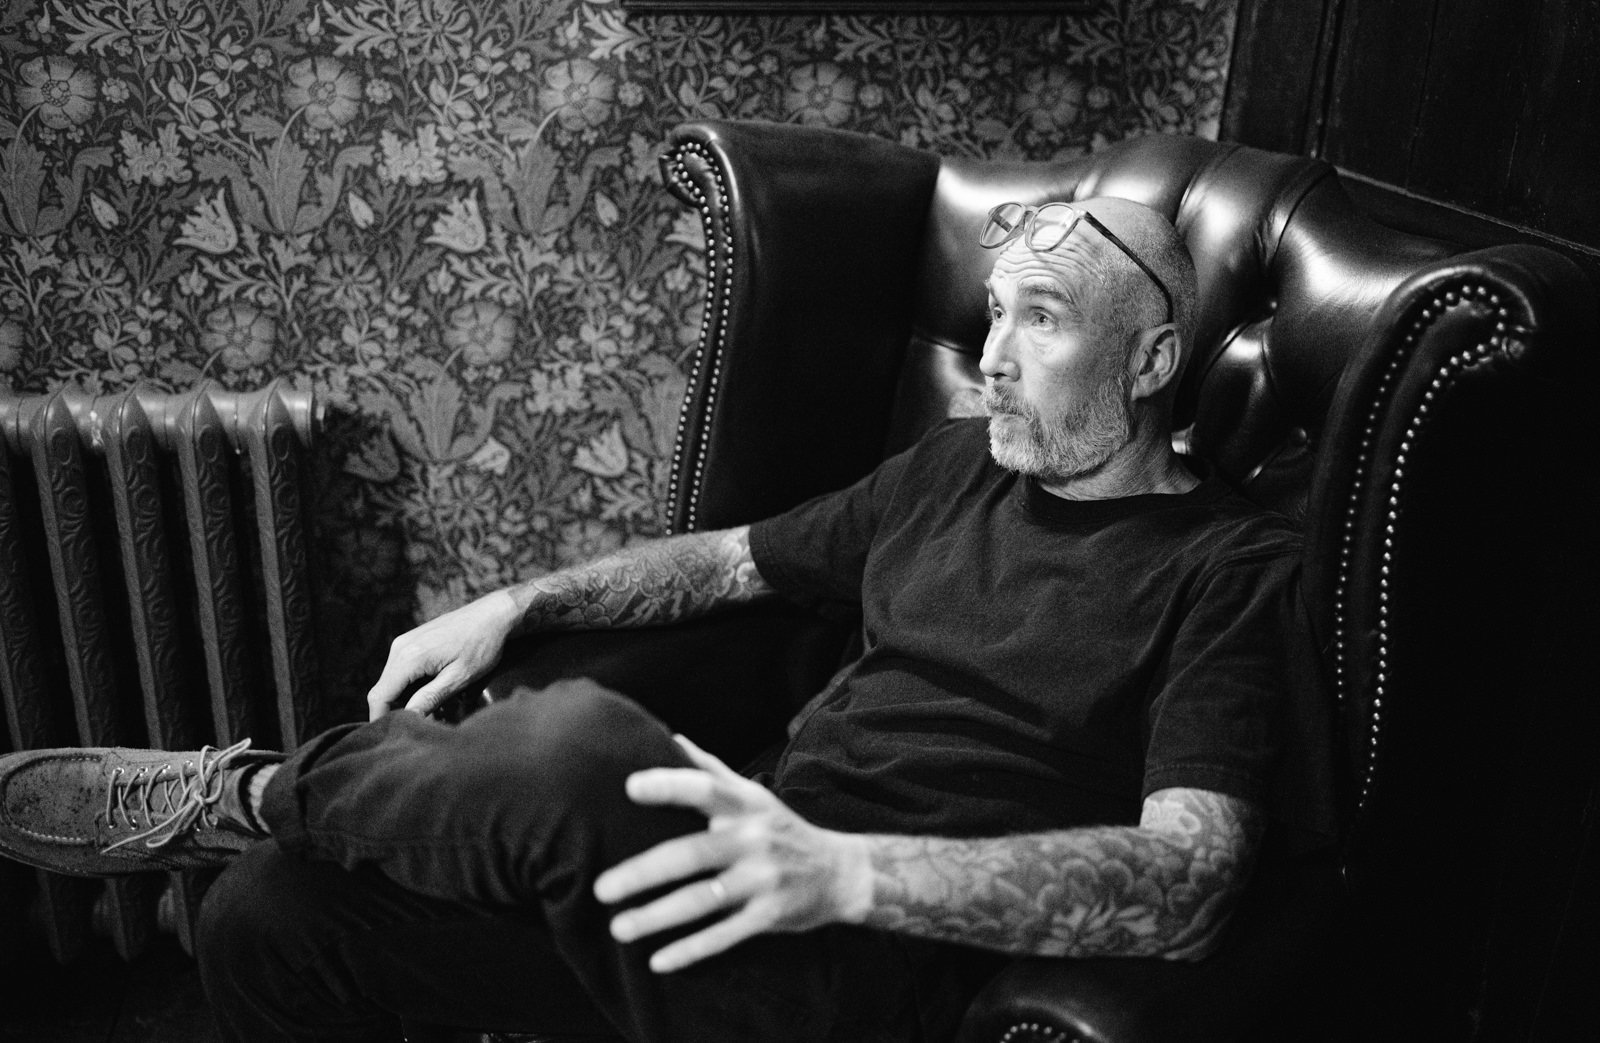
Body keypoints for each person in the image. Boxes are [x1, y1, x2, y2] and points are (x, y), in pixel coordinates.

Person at [0, 197, 1335, 1042]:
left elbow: (1190, 885)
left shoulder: (1229, 565)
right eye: (990, 315)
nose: (987, 359)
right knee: (267, 916)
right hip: (717, 905)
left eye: (1038, 321)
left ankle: (234, 790)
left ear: (1154, 361)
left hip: (862, 969)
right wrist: (517, 603)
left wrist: (842, 873)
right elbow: (730, 566)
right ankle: (259, 823)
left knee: (574, 744)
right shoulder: (957, 469)